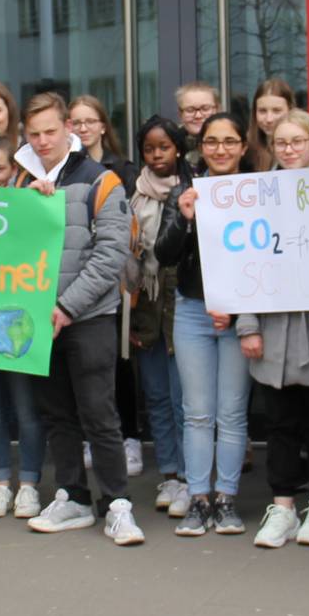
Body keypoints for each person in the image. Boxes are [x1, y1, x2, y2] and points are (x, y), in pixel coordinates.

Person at [15, 93, 142, 545]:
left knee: (99, 413)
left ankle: (117, 504)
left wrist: (67, 307)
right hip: (38, 320)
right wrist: (26, 207)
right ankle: (72, 497)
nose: (43, 141)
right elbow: (5, 250)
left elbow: (111, 255)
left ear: (68, 127)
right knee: (58, 416)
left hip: (87, 318)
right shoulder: (20, 183)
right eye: (34, 134)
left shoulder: (102, 181)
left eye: (51, 131)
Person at [240, 111, 309, 551]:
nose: (289, 149)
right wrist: (247, 325)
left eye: (298, 141)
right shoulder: (258, 195)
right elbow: (242, 260)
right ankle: (282, 506)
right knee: (278, 424)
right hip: (272, 328)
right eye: (281, 142)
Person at [154, 112, 251, 537]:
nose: (220, 150)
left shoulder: (259, 191)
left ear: (243, 147)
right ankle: (198, 498)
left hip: (239, 316)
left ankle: (226, 498)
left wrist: (236, 308)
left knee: (231, 412)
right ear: (201, 147)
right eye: (212, 142)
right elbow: (164, 255)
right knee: (196, 413)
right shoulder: (185, 190)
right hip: (193, 310)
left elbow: (265, 260)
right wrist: (184, 218)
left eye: (230, 141)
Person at [0, 136, 49, 518]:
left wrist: (44, 199)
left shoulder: (30, 202)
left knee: (26, 406)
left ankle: (29, 484)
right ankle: (1, 484)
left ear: (13, 170)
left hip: (20, 321)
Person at [127, 116, 189, 518]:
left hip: (180, 308)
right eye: (149, 149)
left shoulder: (192, 190)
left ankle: (189, 475)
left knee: (185, 400)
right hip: (145, 310)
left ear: (178, 149)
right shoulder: (133, 193)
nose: (156, 155)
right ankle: (169, 473)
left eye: (163, 147)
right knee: (158, 398)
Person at [249, 76, 295, 172]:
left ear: (290, 110)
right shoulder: (246, 149)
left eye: (276, 111)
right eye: (262, 111)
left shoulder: (305, 146)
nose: (269, 119)